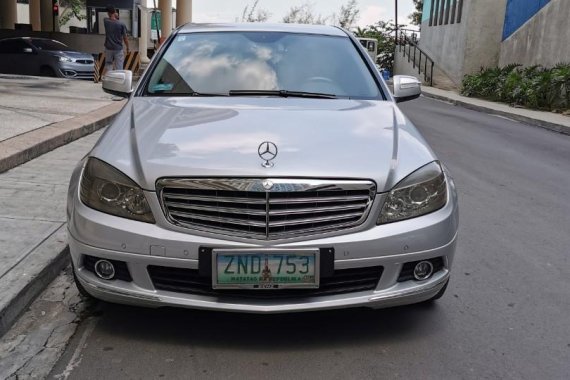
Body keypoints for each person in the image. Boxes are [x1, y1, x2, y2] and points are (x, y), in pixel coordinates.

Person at [103, 5, 129, 73]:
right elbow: (125, 38)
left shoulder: (106, 21)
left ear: (108, 13)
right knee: (119, 67)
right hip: (118, 49)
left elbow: (109, 17)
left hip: (108, 48)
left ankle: (109, 79)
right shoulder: (121, 24)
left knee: (108, 64)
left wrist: (114, 14)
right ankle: (118, 81)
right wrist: (127, 47)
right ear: (115, 12)